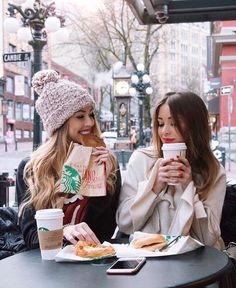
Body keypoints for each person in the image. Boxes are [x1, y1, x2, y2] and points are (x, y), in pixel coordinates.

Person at [17, 69, 121, 249]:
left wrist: (102, 179)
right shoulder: (32, 168)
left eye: (91, 114)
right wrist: (62, 231)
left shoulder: (107, 162)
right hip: (47, 267)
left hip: (90, 265)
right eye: (80, 116)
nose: (89, 122)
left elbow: (104, 232)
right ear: (60, 124)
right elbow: (31, 236)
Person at [116, 91, 226, 250]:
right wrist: (154, 186)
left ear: (195, 126)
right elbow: (124, 223)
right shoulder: (141, 160)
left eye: (174, 123)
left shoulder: (213, 171)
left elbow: (208, 238)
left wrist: (188, 187)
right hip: (146, 260)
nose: (164, 131)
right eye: (160, 123)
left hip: (196, 263)